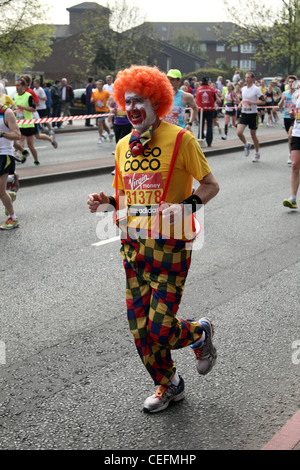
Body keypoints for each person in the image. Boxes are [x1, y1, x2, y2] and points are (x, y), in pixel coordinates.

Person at [87, 65, 219, 413]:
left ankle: (199, 333)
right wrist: (107, 201)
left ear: (157, 102)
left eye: (140, 100)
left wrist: (186, 206)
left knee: (160, 330)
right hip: (133, 250)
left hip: (170, 251)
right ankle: (168, 385)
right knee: (140, 330)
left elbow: (210, 186)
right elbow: (126, 199)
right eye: (127, 101)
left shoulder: (181, 139)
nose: (132, 107)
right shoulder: (122, 147)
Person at [0, 103, 22, 230]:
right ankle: (11, 185)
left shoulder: (6, 113)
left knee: (0, 191)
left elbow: (17, 135)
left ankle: (13, 218)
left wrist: (2, 133)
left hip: (3, 155)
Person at [236, 72, 265, 162]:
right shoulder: (243, 89)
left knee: (253, 135)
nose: (247, 79)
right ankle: (246, 144)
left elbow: (263, 102)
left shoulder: (256, 89)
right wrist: (240, 104)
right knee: (239, 132)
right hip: (244, 113)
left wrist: (252, 103)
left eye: (248, 77)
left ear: (252, 79)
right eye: (246, 77)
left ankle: (257, 153)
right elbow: (243, 99)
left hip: (253, 114)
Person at [13, 78, 40, 165]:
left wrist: (23, 108)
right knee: (19, 141)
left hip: (28, 124)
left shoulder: (28, 95)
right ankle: (22, 154)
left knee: (30, 145)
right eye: (16, 85)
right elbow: (15, 107)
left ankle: (36, 160)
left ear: (24, 86)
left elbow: (33, 109)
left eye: (18, 85)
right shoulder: (15, 96)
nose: (17, 87)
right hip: (19, 124)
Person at [283, 85, 300, 209]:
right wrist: (293, 115)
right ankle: (293, 198)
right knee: (295, 165)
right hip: (297, 133)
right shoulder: (297, 95)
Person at [277, 75, 297, 164]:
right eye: (289, 82)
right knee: (290, 138)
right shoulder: (285, 93)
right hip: (286, 116)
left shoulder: (298, 92)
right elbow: (279, 106)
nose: (291, 83)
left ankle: (291, 155)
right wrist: (282, 100)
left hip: (295, 117)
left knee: (290, 135)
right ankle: (291, 153)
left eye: (292, 82)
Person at [196, 76, 218, 147]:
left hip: (201, 109)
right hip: (210, 109)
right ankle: (209, 142)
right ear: (208, 81)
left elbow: (197, 98)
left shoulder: (198, 89)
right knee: (209, 125)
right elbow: (215, 98)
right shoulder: (211, 89)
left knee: (201, 125)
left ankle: (200, 139)